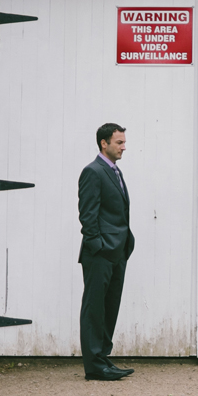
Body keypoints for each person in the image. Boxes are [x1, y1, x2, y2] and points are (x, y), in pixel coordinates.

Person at [77, 122, 136, 382]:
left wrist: (122, 247)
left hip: (117, 252)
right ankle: (94, 366)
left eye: (124, 142)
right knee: (94, 310)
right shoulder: (93, 172)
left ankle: (102, 359)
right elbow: (88, 215)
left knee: (109, 308)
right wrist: (98, 246)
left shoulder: (115, 171)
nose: (124, 146)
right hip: (100, 254)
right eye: (119, 142)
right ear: (104, 143)